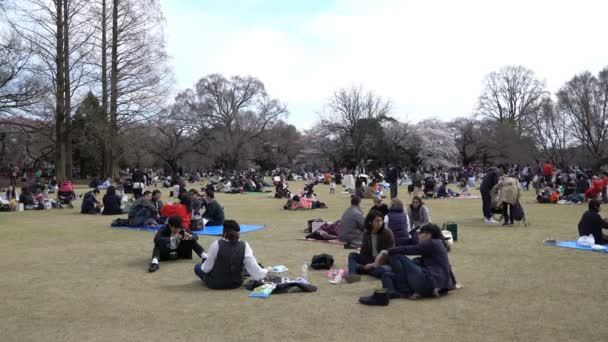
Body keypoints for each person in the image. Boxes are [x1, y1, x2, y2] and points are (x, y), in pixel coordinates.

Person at [360, 224, 457, 304]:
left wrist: (386, 252)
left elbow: (408, 249)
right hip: (433, 285)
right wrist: (454, 283)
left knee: (396, 254)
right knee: (387, 274)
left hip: (428, 282)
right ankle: (390, 293)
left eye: (420, 234)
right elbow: (447, 266)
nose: (418, 236)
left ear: (428, 235)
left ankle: (407, 292)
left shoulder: (431, 243)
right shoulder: (438, 244)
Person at [193, 220, 268, 289]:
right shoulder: (245, 245)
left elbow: (206, 269)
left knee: (198, 267)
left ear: (223, 232)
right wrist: (264, 271)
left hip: (215, 283)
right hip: (236, 283)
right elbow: (253, 267)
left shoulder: (216, 244)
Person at [344, 210, 395, 283]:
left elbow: (390, 253)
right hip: (370, 259)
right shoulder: (367, 232)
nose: (380, 223)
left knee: (383, 270)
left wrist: (373, 265)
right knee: (352, 255)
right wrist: (365, 262)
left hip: (382, 261)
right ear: (370, 222)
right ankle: (353, 275)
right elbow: (363, 251)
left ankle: (363, 269)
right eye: (377, 221)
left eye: (381, 220)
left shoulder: (387, 233)